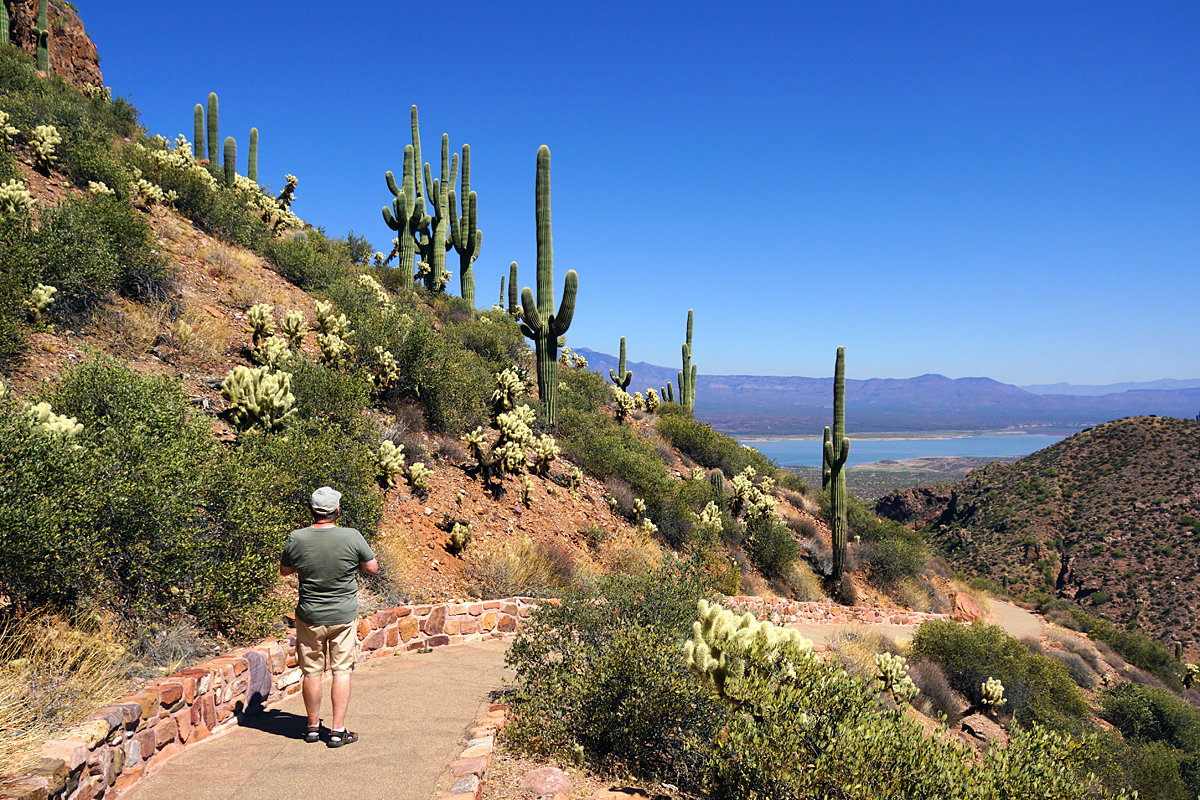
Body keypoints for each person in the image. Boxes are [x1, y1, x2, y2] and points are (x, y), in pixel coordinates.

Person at [279, 486, 378, 748]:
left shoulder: (297, 538)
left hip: (310, 615)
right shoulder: (352, 536)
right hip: (343, 615)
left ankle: (312, 727)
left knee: (311, 672)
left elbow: (285, 570)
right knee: (341, 670)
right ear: (337, 511)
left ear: (312, 510)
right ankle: (337, 730)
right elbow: (372, 568)